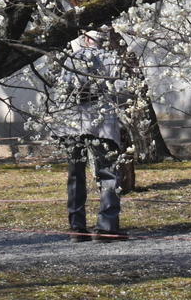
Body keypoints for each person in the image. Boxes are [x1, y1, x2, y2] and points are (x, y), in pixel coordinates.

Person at [55, 31, 128, 242]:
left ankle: (77, 227)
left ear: (85, 38)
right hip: (102, 124)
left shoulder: (70, 59)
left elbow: (61, 90)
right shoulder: (111, 58)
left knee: (76, 175)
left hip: (72, 124)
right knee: (108, 172)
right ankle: (106, 226)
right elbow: (121, 92)